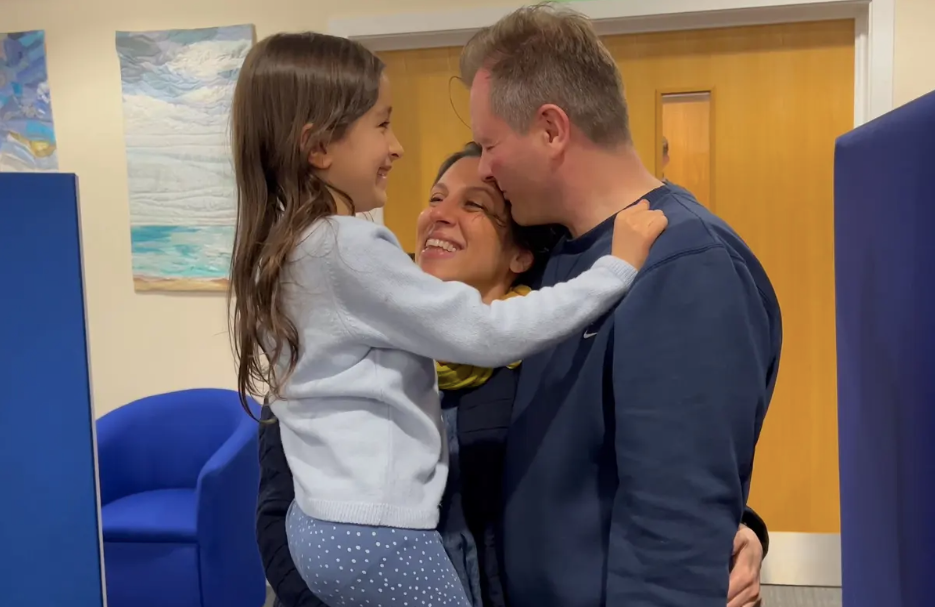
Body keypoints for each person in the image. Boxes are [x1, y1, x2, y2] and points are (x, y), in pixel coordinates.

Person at [228, 32, 667, 607]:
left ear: (520, 256)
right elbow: (487, 332)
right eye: (382, 125)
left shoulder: (294, 252)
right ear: (318, 149)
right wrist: (615, 269)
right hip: (374, 534)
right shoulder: (349, 250)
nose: (397, 147)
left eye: (476, 205)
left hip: (326, 531)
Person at [255, 142, 770, 607]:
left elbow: (630, 476)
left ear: (521, 254)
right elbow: (278, 522)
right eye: (435, 198)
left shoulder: (549, 359)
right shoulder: (334, 345)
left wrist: (739, 531)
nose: (440, 216)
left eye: (474, 205)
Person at [460, 5, 781, 607]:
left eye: (489, 144)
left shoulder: (686, 269)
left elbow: (673, 534)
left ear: (552, 129)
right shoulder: (565, 254)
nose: (484, 167)